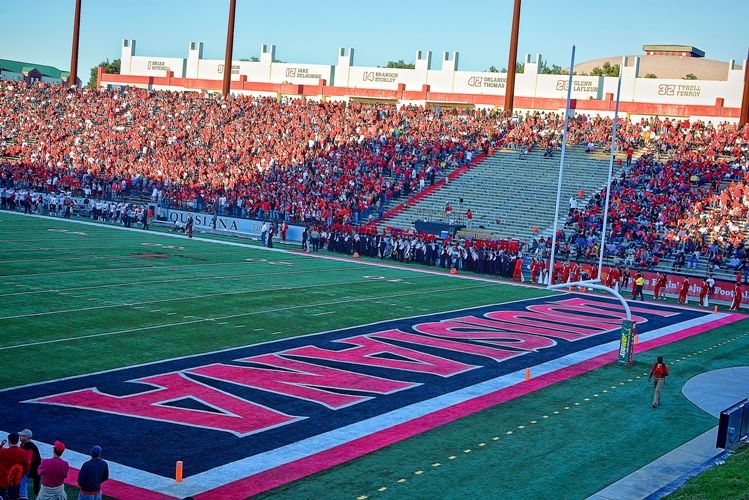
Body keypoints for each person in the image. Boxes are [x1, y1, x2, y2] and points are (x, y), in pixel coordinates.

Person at [0, 432, 30, 500]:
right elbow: (26, 468)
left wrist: (0, 446)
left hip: (2, 482)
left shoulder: (3, 452)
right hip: (15, 482)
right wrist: (19, 476)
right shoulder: (24, 453)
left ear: (9, 441)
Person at [18, 429, 40, 499]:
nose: (20, 436)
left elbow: (29, 460)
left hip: (27, 471)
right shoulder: (25, 444)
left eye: (22, 435)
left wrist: (26, 471)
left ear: (27, 437)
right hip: (29, 470)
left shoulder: (29, 447)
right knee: (22, 486)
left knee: (22, 487)